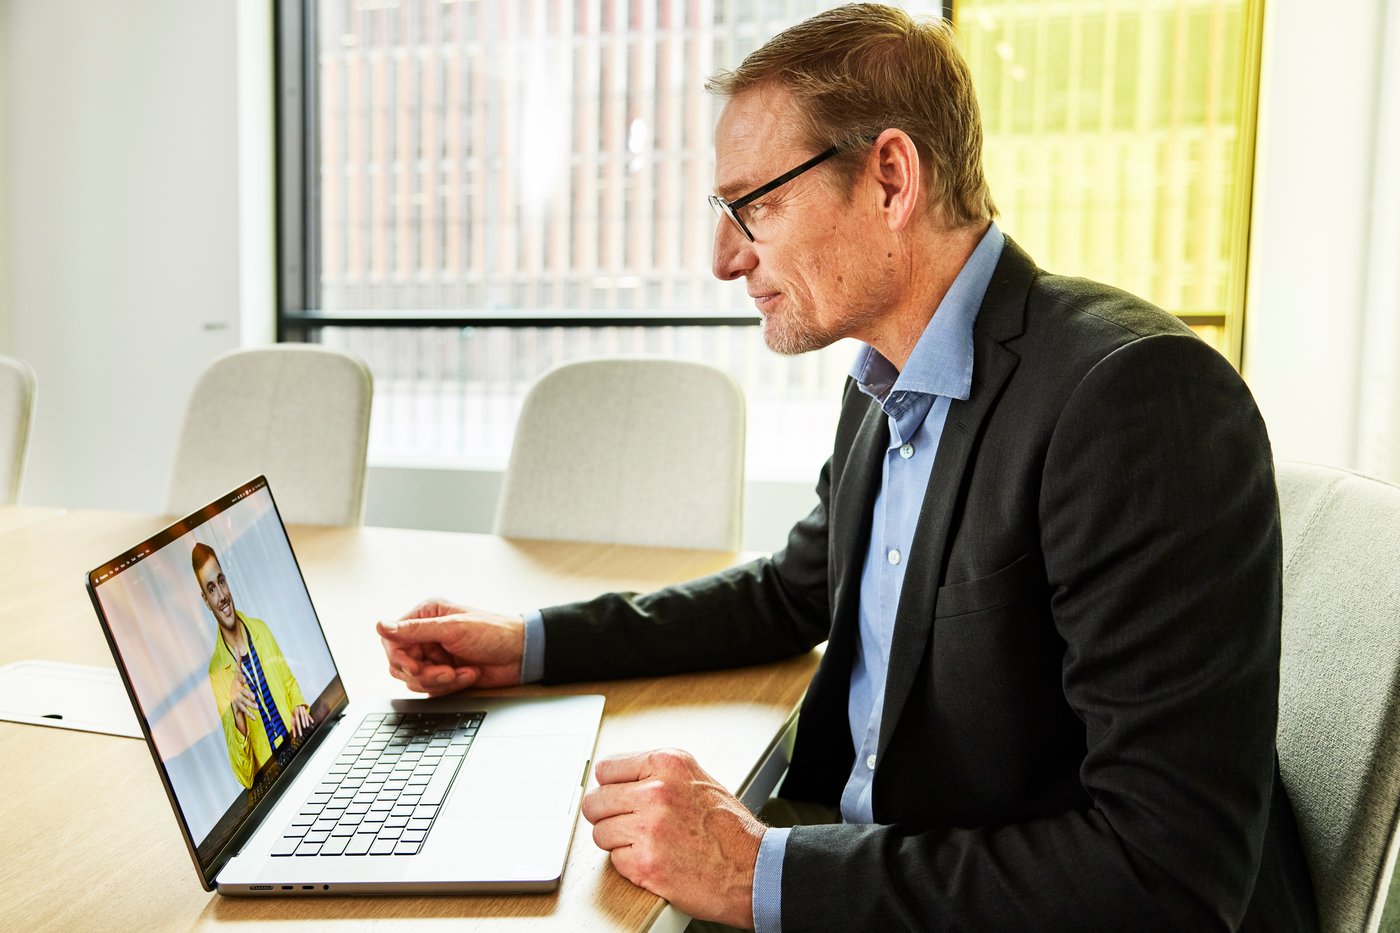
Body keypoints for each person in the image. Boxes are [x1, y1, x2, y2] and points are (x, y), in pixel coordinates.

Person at [377, 5, 1318, 930]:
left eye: (758, 203)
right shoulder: (885, 375)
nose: (723, 256)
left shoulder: (1135, 401)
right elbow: (795, 590)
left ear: (891, 179)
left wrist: (763, 870)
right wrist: (529, 642)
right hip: (881, 857)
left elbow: (1167, 875)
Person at [196, 542, 314, 788]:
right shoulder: (217, 674)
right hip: (274, 782)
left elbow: (289, 682)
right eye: (211, 589)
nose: (222, 596)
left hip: (299, 751)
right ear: (205, 600)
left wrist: (299, 706)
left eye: (221, 582)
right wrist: (237, 713)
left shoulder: (260, 628)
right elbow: (245, 776)